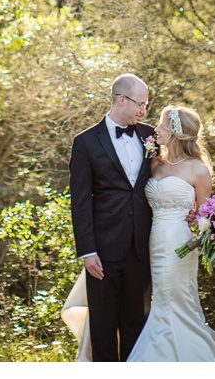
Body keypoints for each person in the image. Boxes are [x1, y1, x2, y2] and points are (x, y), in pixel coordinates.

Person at [64, 73, 155, 361]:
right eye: (140, 104)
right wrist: (87, 251)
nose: (143, 111)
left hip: (141, 248)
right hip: (102, 252)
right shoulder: (86, 142)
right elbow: (80, 202)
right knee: (103, 328)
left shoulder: (150, 135)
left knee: (136, 325)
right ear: (121, 99)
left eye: (146, 105)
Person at [124, 104, 215, 362]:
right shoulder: (155, 162)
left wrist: (195, 222)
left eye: (161, 125)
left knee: (173, 299)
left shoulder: (198, 170)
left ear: (175, 132)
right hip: (153, 239)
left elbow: (206, 218)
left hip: (180, 243)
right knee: (161, 298)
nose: (156, 129)